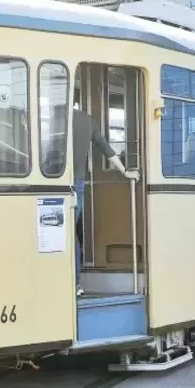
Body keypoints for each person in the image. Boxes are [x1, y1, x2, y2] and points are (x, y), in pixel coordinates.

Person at [72, 102, 139, 296]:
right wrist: (125, 172)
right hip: (77, 184)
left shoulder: (55, 117)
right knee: (71, 235)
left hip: (50, 182)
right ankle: (75, 283)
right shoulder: (86, 120)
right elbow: (106, 149)